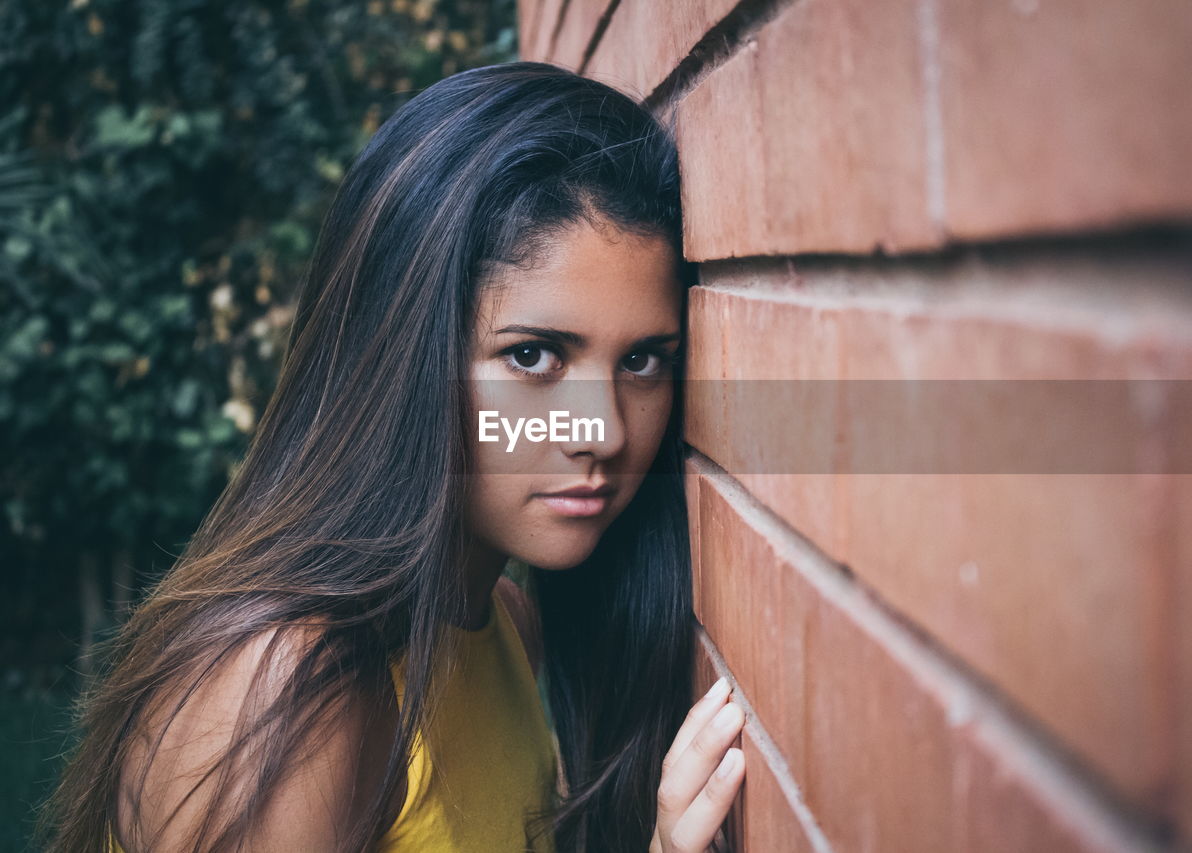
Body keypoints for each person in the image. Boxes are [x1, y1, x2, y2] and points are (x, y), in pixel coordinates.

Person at [37, 61, 745, 853]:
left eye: (644, 361)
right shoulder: (288, 687)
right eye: (534, 355)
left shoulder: (504, 626)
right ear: (403, 352)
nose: (605, 431)